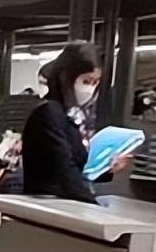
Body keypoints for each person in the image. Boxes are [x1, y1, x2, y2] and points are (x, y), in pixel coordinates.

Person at [20, 41, 128, 203]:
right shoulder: (49, 113)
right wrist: (93, 206)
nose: (90, 89)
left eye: (95, 82)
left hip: (64, 201)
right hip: (49, 203)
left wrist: (107, 168)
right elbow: (64, 171)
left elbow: (79, 167)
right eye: (86, 81)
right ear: (66, 78)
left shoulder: (68, 114)